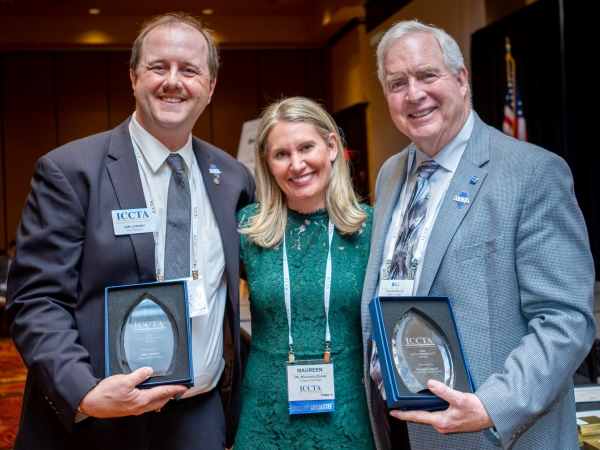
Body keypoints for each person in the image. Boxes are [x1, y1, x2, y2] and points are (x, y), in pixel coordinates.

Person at [6, 12, 255, 450]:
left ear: (210, 86)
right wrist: (84, 391)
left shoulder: (232, 178)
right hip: (98, 420)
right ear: (133, 77)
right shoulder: (70, 171)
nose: (173, 81)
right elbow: (36, 300)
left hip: (195, 417)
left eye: (190, 70)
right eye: (159, 67)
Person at [362, 20, 595, 450]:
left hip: (492, 435)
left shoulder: (533, 173)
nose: (414, 93)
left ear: (461, 79)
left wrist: (492, 406)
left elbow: (567, 320)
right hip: (399, 427)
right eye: (398, 82)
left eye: (428, 74)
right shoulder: (390, 173)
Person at [235, 97, 375, 449]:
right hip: (265, 415)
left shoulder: (372, 227)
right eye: (281, 154)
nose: (296, 164)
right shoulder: (247, 228)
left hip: (349, 412)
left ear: (330, 147)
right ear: (267, 162)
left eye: (306, 147)